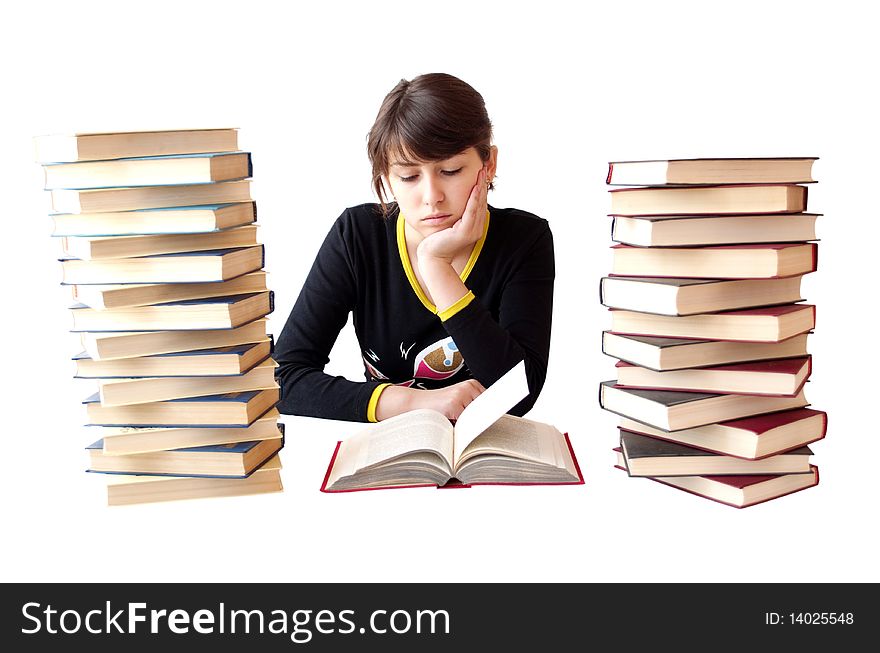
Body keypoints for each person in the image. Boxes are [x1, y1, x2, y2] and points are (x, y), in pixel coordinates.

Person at [274, 73, 554, 423]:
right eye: (408, 177)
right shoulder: (358, 236)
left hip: (489, 459)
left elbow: (520, 393)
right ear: (387, 178)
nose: (431, 197)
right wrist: (412, 403)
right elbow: (283, 379)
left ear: (489, 165)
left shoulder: (524, 239)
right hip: (395, 456)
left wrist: (437, 266)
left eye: (450, 170)